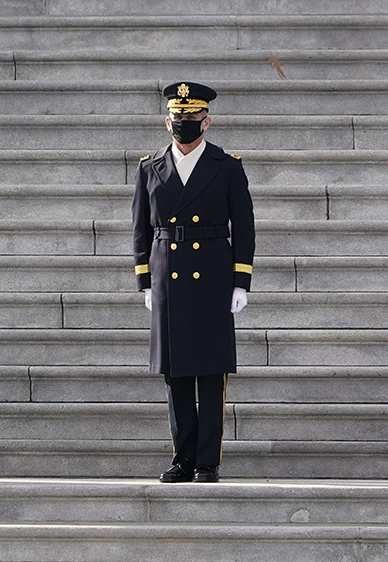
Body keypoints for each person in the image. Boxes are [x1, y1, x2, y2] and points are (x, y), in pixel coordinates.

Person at [132, 82, 255, 483]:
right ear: (168, 121)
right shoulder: (150, 166)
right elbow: (139, 229)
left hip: (213, 275)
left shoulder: (227, 165)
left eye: (192, 117)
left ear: (208, 120)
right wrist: (145, 281)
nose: (184, 124)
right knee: (177, 372)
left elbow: (245, 227)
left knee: (211, 371)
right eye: (178, 118)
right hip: (169, 274)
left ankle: (207, 460)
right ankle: (182, 457)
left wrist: (241, 281)